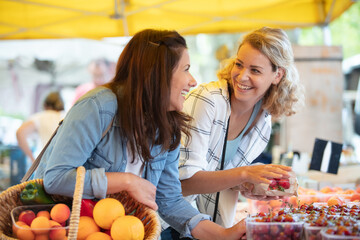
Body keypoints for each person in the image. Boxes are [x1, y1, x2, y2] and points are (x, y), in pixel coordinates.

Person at [33, 29, 247, 239]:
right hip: (61, 230)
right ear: (157, 73)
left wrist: (224, 234)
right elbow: (56, 179)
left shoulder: (168, 127)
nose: (193, 81)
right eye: (186, 69)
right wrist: (126, 181)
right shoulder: (99, 106)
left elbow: (169, 201)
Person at [176, 27, 305, 230]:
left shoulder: (263, 123)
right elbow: (183, 184)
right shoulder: (209, 101)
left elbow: (219, 176)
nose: (242, 76)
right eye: (239, 64)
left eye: (255, 70)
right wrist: (244, 174)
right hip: (169, 224)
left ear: (277, 75)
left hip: (206, 227)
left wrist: (249, 186)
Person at [16, 91, 65, 163]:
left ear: (45, 105)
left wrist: (32, 159)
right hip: (65, 164)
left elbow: (20, 133)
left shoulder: (41, 117)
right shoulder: (67, 115)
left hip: (46, 163)